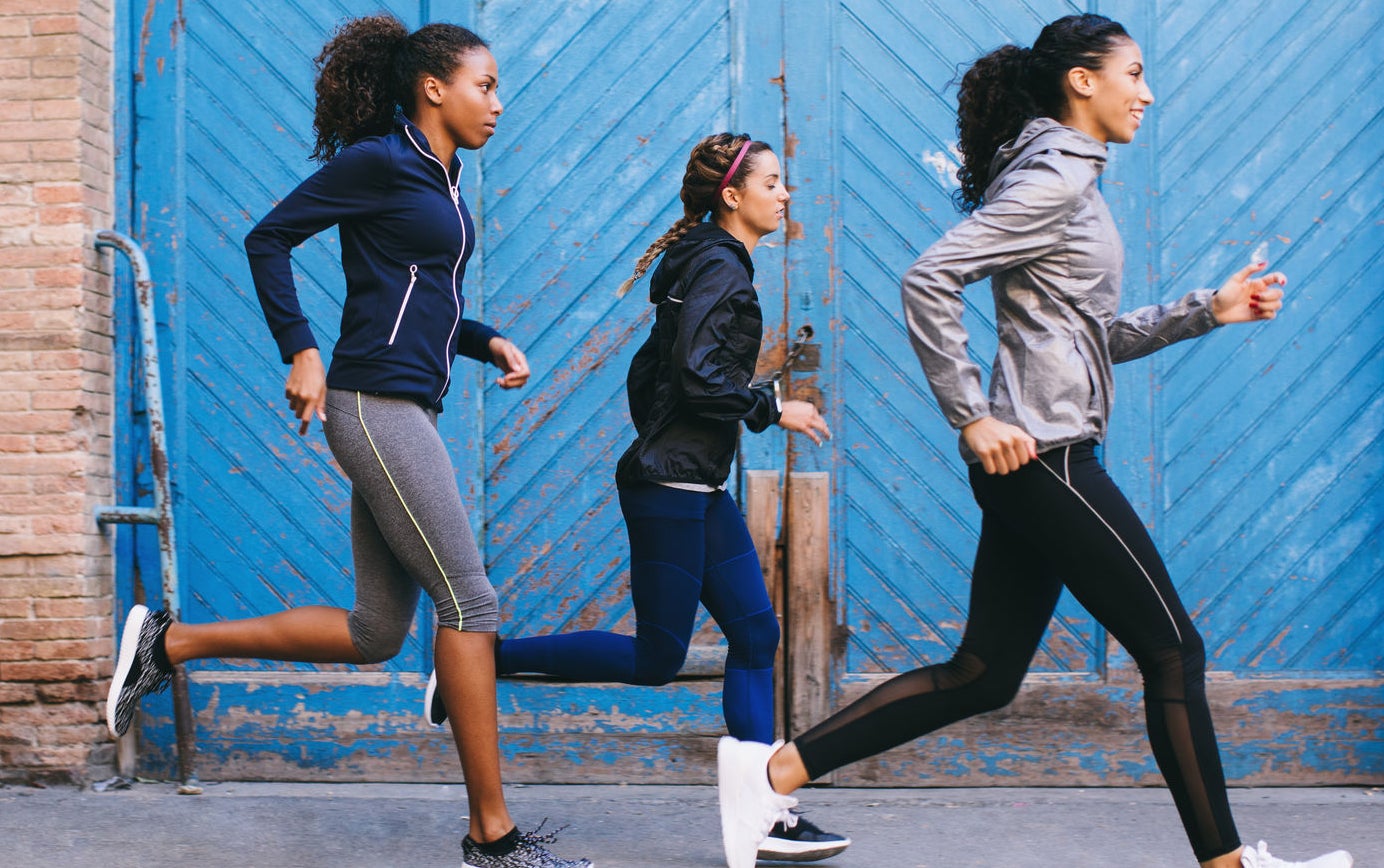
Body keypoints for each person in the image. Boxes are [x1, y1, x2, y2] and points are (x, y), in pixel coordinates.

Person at [715, 14, 1353, 868]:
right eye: (1134, 72)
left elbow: (1089, 334)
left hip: (1040, 461)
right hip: (1045, 459)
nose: (1148, 92)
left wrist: (1209, 309)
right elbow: (928, 277)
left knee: (983, 673)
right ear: (1082, 80)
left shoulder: (1064, 178)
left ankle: (769, 775)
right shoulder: (1055, 176)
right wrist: (971, 415)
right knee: (1173, 651)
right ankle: (1230, 867)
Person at [104, 15, 590, 868]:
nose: (498, 104)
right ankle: (494, 840)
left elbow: (408, 288)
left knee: (374, 631)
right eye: (486, 85)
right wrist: (300, 348)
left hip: (404, 404)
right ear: (433, 87)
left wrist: (483, 341)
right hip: (373, 407)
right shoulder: (381, 161)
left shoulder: (445, 177)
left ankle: (168, 644)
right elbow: (270, 239)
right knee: (470, 604)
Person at [425, 133, 848, 863]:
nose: (786, 194)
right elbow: (695, 377)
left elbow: (653, 374)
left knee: (755, 637)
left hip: (690, 482)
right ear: (733, 195)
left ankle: (768, 814)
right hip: (672, 485)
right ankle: (475, 667)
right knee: (659, 655)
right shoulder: (721, 267)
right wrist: (773, 407)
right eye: (774, 183)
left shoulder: (708, 263)